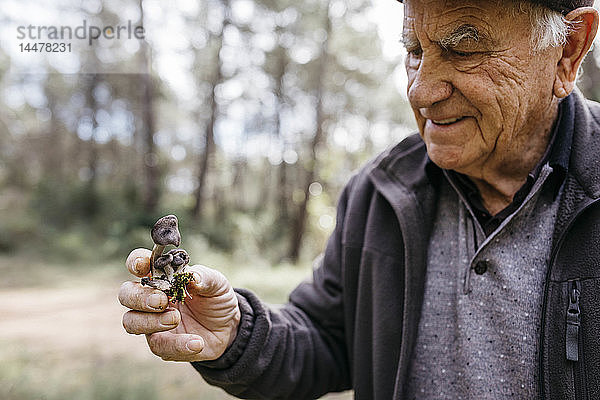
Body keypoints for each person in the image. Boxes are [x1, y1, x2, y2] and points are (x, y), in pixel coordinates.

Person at [118, 0, 600, 398]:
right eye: (414, 49)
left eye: (463, 49)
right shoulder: (381, 191)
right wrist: (234, 335)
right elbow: (328, 339)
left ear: (568, 51)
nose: (421, 89)